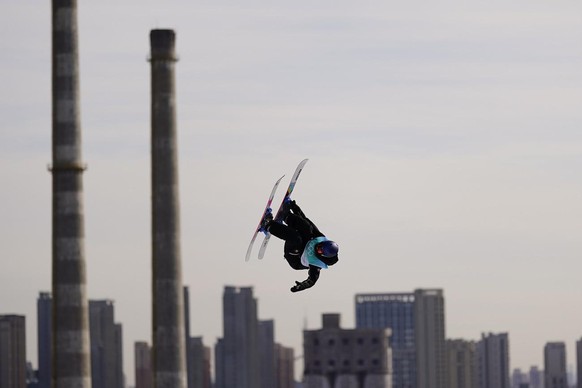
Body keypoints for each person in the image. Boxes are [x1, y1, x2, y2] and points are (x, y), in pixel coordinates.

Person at [260, 199, 339, 292]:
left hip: (295, 257)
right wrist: (294, 207)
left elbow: (312, 281)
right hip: (303, 244)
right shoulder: (319, 237)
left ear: (323, 255)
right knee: (306, 227)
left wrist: (301, 286)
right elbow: (306, 220)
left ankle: (268, 225)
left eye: (320, 250)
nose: (318, 248)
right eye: (320, 246)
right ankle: (286, 216)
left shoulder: (317, 265)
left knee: (296, 238)